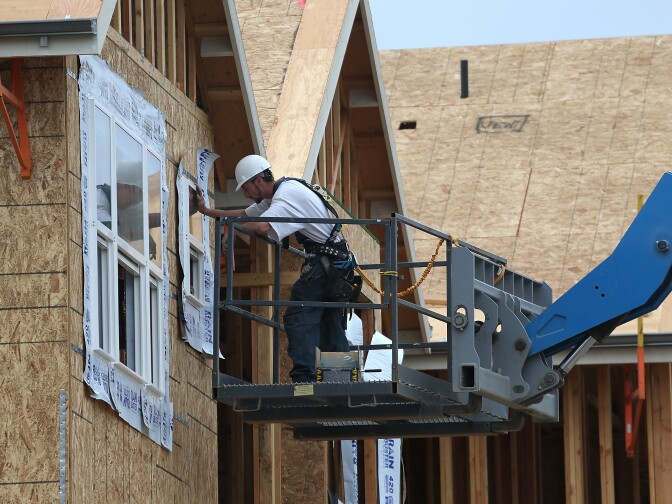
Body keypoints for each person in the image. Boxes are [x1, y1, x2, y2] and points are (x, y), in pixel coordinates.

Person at [196, 154, 352, 383]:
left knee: (299, 315)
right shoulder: (278, 196)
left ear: (259, 180)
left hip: (325, 265)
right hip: (334, 264)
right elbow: (243, 214)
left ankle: (305, 379)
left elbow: (261, 225)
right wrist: (208, 212)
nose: (245, 194)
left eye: (246, 187)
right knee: (329, 321)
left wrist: (232, 230)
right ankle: (342, 379)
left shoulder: (286, 196)